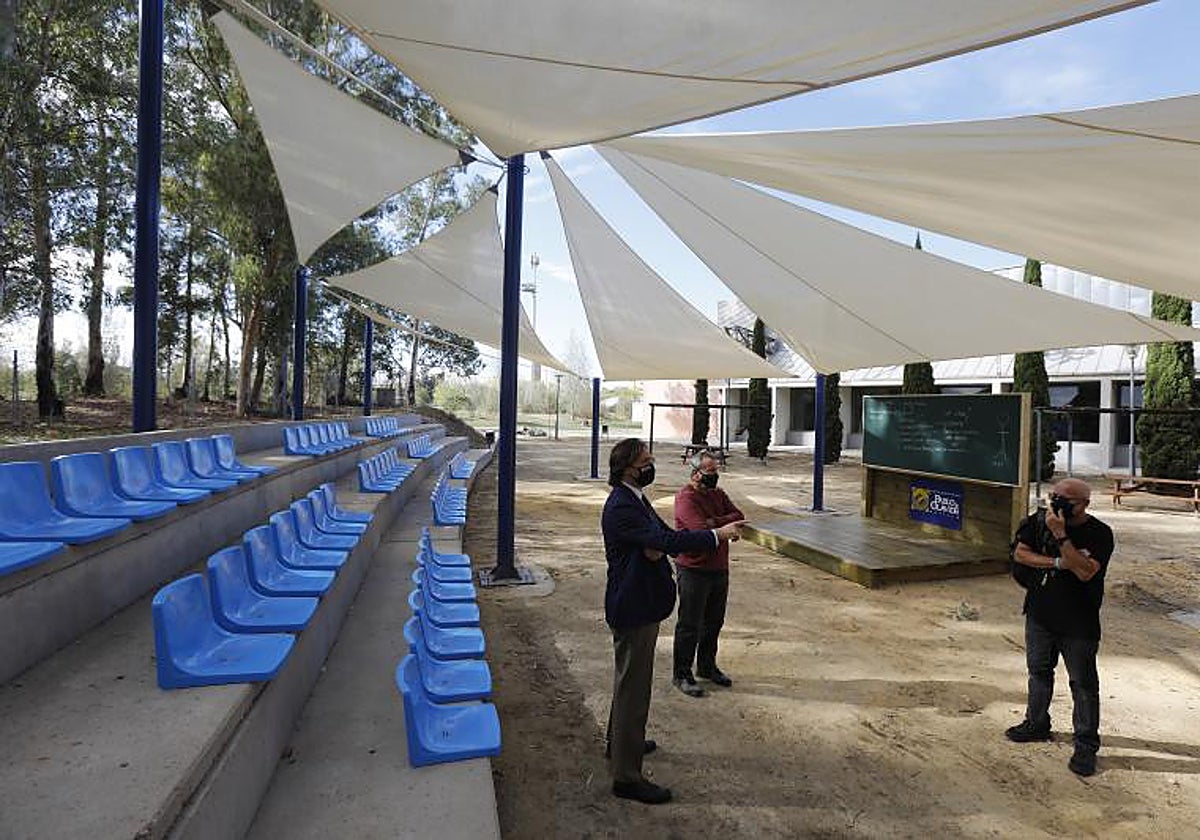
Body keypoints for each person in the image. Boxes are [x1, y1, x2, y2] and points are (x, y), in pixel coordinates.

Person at [601, 437, 744, 804]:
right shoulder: (622, 506)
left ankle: (620, 744)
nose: (651, 467)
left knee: (628, 681)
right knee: (634, 690)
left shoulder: (635, 498)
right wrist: (716, 534)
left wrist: (658, 544)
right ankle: (626, 777)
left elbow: (661, 539)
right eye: (646, 462)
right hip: (633, 605)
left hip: (641, 601)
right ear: (628, 469)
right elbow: (667, 540)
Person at [1007, 477, 1114, 777]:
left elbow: (1084, 572)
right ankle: (1036, 723)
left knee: (1083, 684)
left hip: (1078, 621)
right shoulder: (1038, 521)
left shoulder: (1099, 533)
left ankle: (1086, 745)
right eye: (1054, 496)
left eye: (1066, 499)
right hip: (1040, 614)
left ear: (1084, 504)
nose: (1057, 503)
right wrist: (1057, 562)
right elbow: (1020, 554)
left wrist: (1061, 535)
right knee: (1039, 672)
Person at [671, 450, 745, 697]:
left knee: (714, 622)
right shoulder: (685, 498)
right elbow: (699, 530)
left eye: (716, 470)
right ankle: (682, 674)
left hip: (718, 568)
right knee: (690, 624)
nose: (714, 475)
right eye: (709, 471)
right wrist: (721, 526)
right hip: (693, 569)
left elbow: (739, 517)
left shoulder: (718, 494)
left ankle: (706, 666)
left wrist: (715, 523)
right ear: (695, 474)